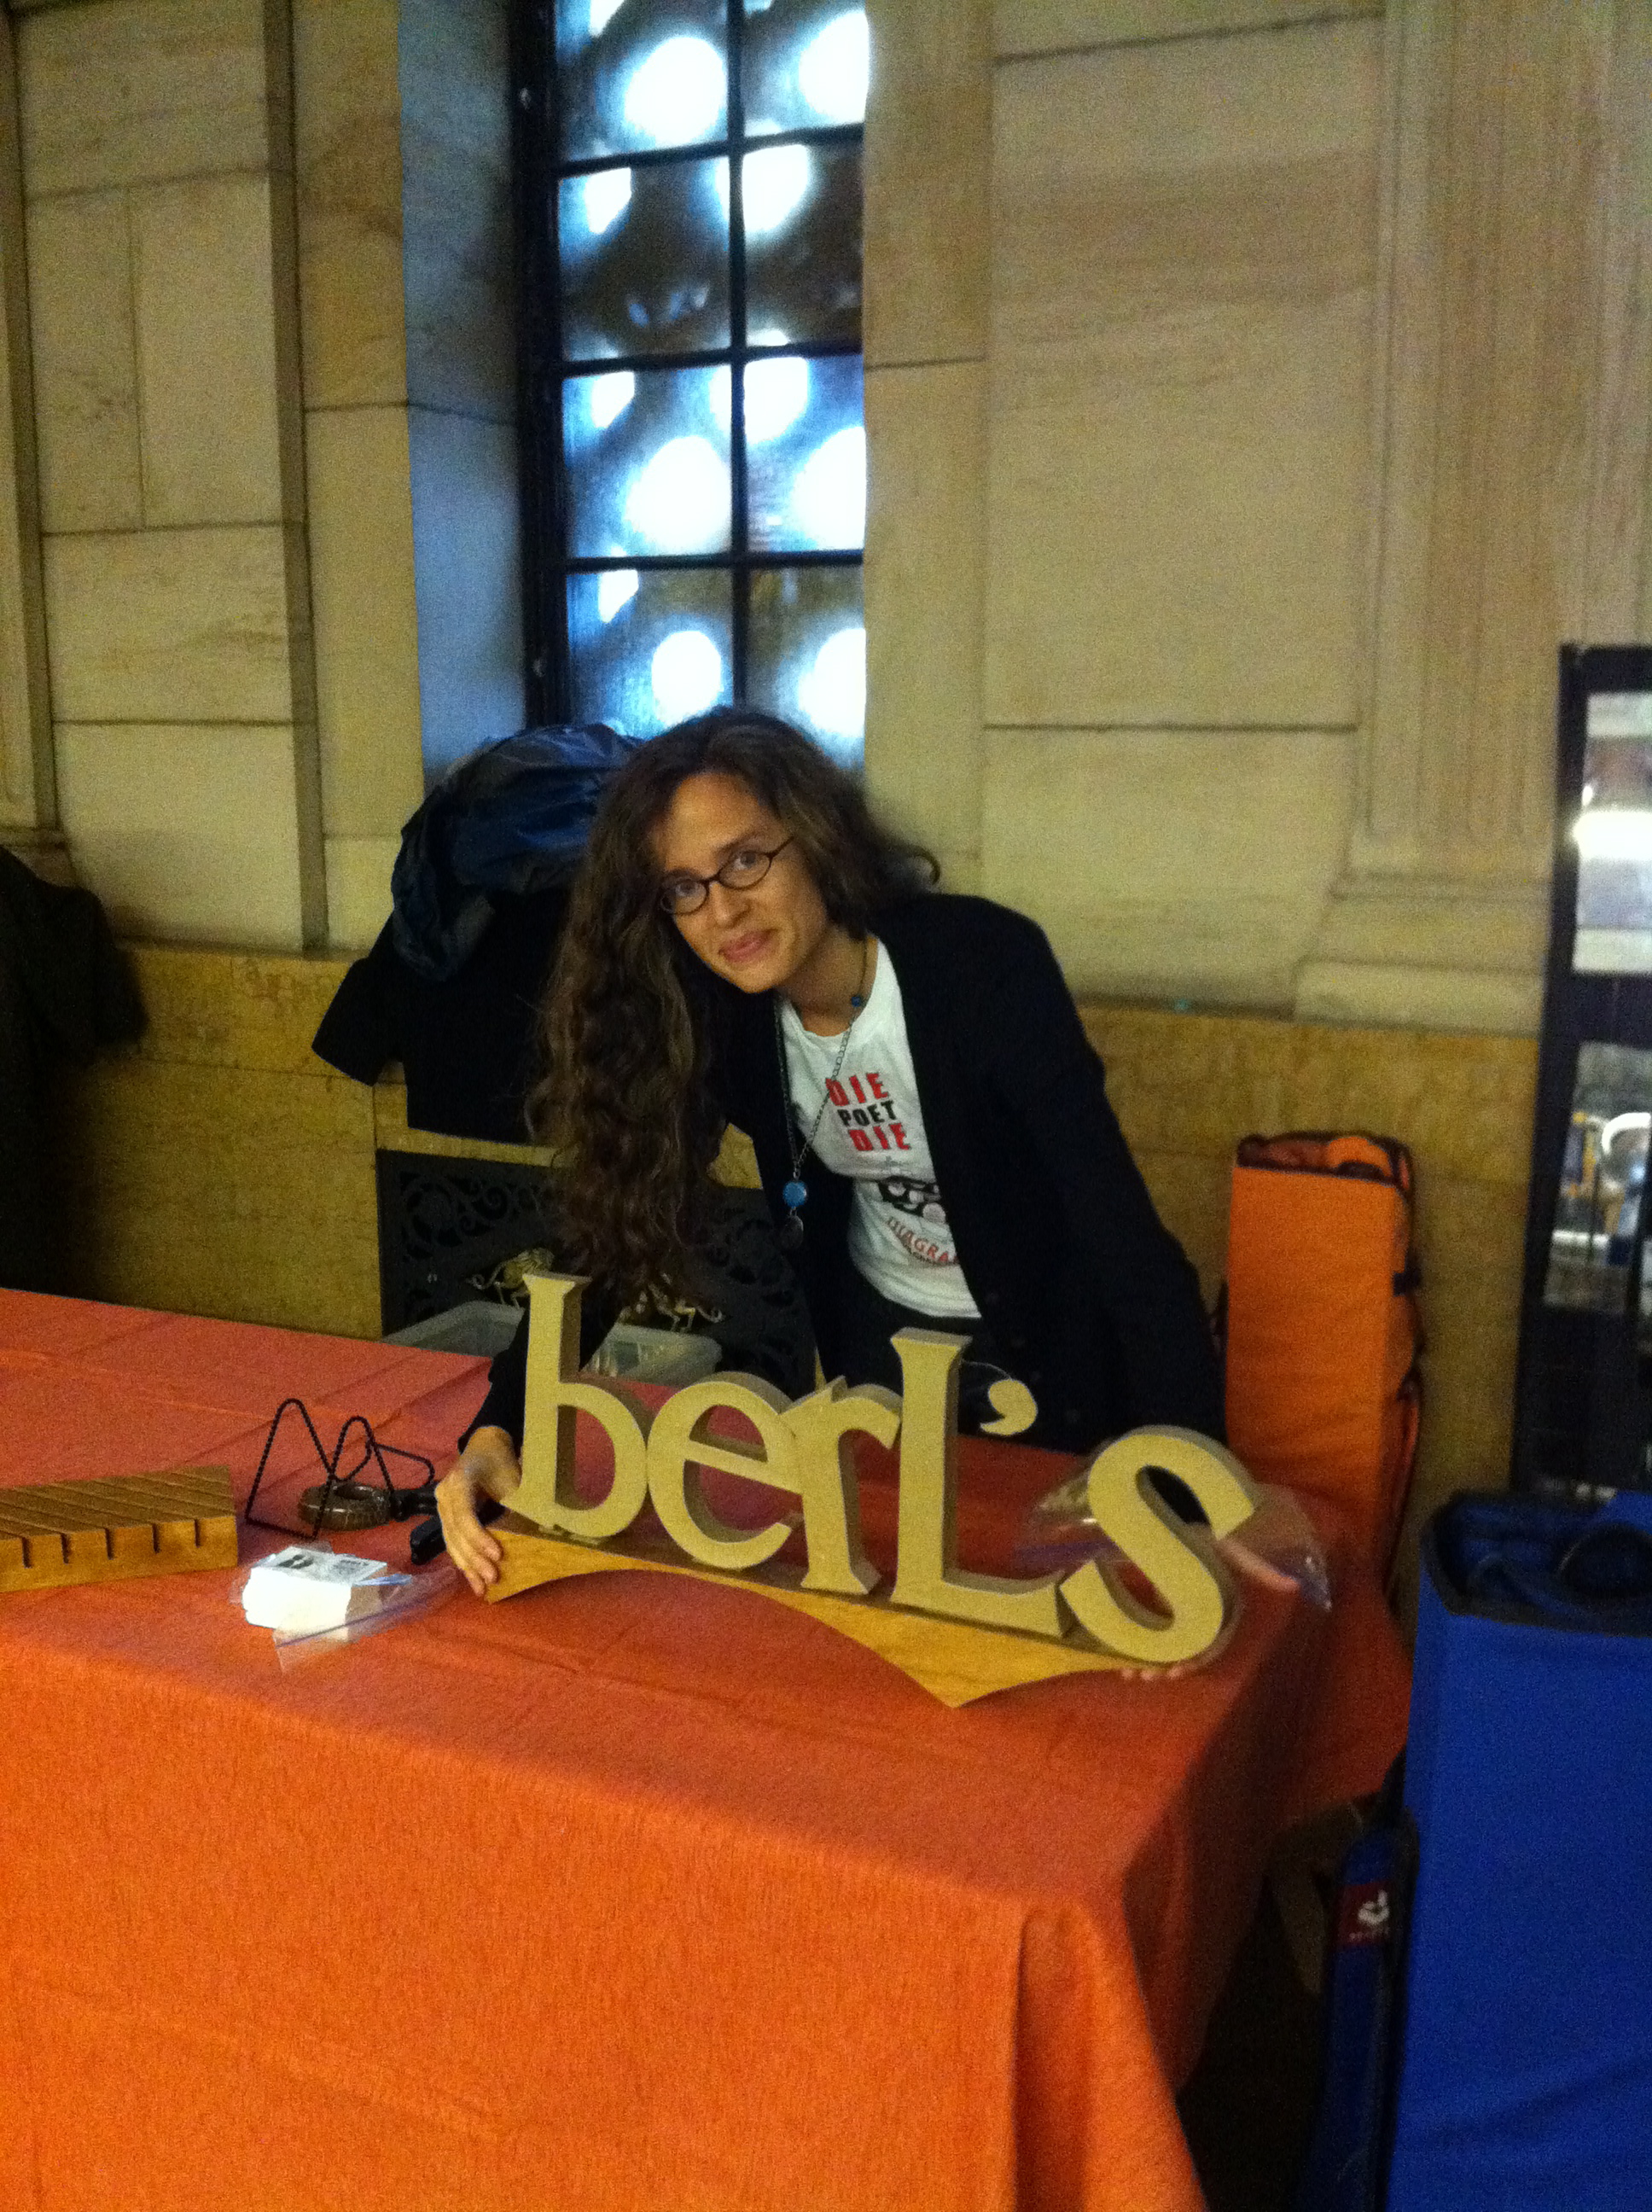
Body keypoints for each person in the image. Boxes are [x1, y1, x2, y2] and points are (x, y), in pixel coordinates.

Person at [436, 708, 1223, 1594]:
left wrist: (1181, 1510)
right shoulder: (721, 1014)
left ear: (815, 836)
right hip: (882, 1372)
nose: (722, 909)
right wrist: (499, 1428)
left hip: (1057, 1370)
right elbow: (617, 1230)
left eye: (744, 860)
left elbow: (1128, 1249)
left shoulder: (982, 968)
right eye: (682, 888)